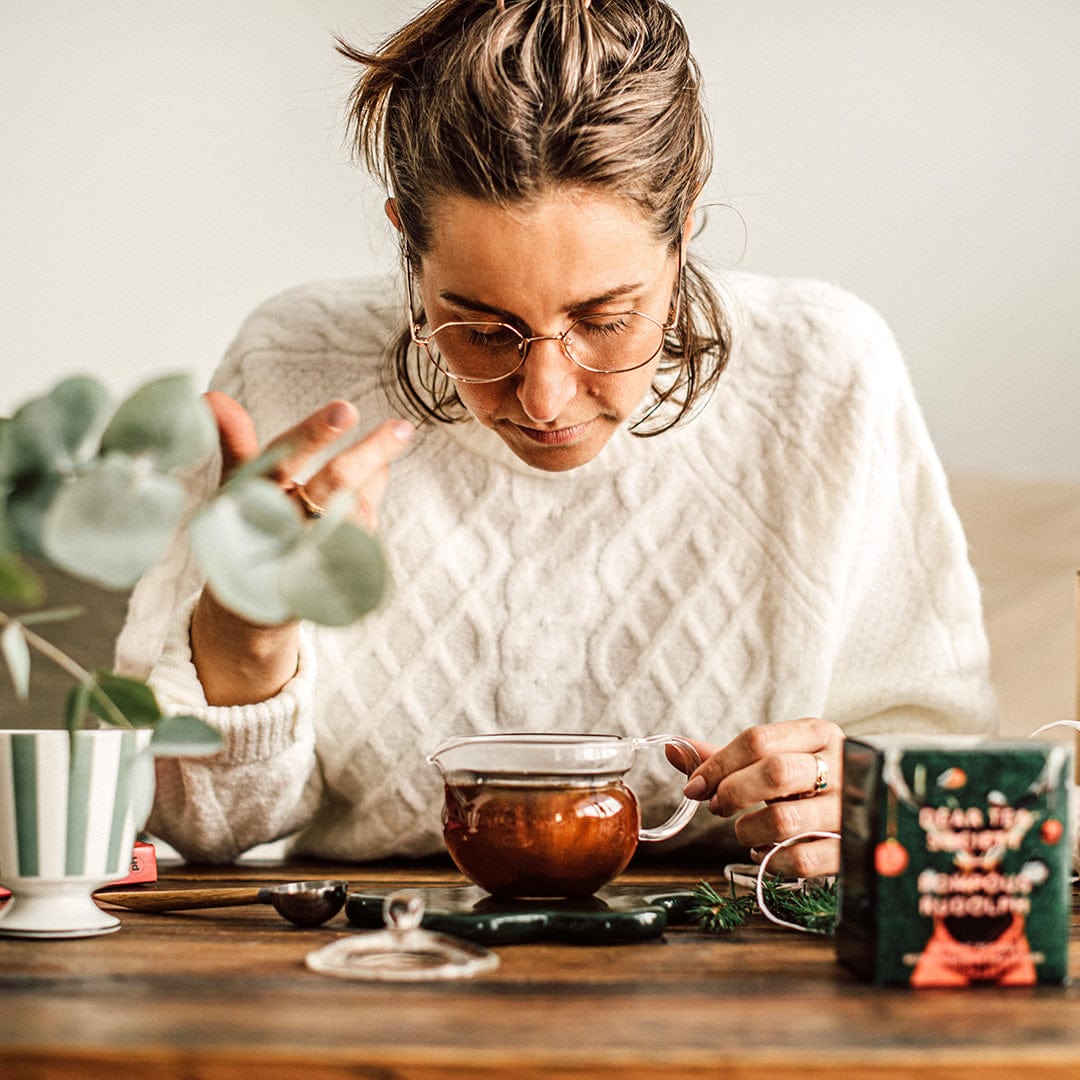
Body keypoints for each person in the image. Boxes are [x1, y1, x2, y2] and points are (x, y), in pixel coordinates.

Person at [117, 0, 996, 878]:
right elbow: (202, 834)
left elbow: (953, 778)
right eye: (483, 331)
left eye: (608, 320)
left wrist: (858, 802)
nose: (543, 399)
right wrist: (247, 634)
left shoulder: (825, 371)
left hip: (735, 963)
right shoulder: (293, 367)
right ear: (407, 249)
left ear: (684, 231)